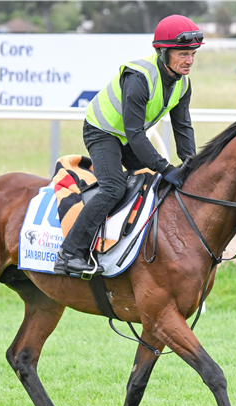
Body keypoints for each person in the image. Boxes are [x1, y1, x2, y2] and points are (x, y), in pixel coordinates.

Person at [53, 14, 203, 277]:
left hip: (127, 136)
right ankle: (69, 254)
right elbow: (135, 135)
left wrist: (191, 165)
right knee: (113, 188)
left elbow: (183, 128)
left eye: (192, 53)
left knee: (157, 183)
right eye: (182, 53)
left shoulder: (183, 83)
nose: (189, 60)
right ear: (162, 51)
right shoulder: (139, 77)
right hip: (102, 131)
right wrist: (166, 167)